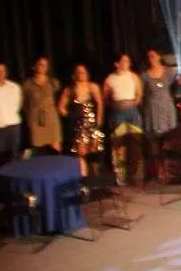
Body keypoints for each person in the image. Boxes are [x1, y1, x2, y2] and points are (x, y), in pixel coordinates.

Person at [103, 53, 145, 182]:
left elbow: (139, 94)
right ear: (117, 63)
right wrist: (117, 106)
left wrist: (132, 104)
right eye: (124, 61)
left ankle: (137, 175)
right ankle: (121, 177)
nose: (127, 63)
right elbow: (105, 97)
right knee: (118, 146)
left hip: (132, 112)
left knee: (136, 143)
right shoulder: (110, 79)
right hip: (118, 114)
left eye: (128, 61)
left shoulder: (133, 76)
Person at [61, 63, 104, 175]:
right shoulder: (69, 90)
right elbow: (61, 107)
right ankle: (84, 177)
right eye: (79, 72)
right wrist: (71, 116)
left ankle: (96, 176)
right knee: (81, 152)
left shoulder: (92, 87)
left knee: (94, 151)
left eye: (83, 72)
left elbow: (99, 103)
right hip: (78, 125)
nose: (81, 75)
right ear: (74, 75)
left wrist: (99, 118)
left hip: (92, 124)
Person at [0, 61, 24, 166]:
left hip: (13, 125)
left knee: (15, 155)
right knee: (1, 158)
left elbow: (18, 105)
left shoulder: (14, 87)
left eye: (3, 71)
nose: (0, 73)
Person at [23, 57, 63, 154]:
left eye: (45, 65)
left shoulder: (54, 83)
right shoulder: (27, 84)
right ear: (34, 67)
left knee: (55, 148)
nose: (43, 67)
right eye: (40, 65)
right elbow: (24, 104)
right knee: (39, 150)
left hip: (51, 119)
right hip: (35, 121)